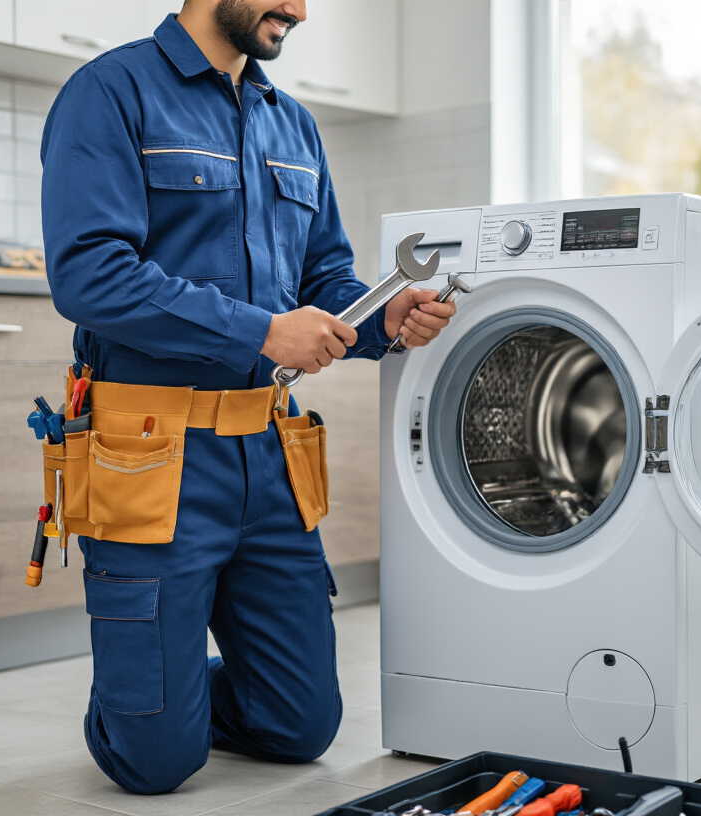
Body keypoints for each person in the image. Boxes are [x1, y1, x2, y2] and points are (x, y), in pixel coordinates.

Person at [39, 0, 456, 794]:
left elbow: (325, 280)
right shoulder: (110, 90)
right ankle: (145, 708)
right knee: (153, 765)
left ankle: (169, 686)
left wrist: (382, 315)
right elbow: (90, 275)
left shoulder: (291, 124)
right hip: (150, 458)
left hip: (269, 457)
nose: (297, 10)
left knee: (300, 728)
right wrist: (263, 332)